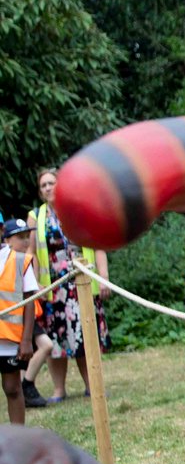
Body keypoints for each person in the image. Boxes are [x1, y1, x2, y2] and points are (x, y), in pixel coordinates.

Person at [27, 167, 111, 402]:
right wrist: (34, 286)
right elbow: (32, 252)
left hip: (81, 281)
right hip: (52, 288)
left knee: (85, 336)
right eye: (43, 185)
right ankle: (59, 390)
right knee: (55, 339)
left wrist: (103, 276)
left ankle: (92, 385)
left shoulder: (78, 208)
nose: (47, 188)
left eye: (51, 183)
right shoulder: (36, 216)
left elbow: (97, 244)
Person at [0, 219, 40, 424]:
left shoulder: (18, 260)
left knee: (12, 388)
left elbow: (30, 301)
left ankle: (18, 439)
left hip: (9, 340)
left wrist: (26, 340)